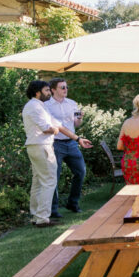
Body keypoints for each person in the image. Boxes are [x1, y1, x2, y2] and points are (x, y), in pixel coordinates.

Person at [44, 78, 92, 215]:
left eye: (66, 87)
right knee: (55, 176)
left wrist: (80, 117)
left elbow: (76, 124)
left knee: (81, 172)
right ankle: (53, 209)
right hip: (55, 144)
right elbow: (54, 126)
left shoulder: (72, 103)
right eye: (62, 87)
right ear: (53, 90)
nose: (66, 90)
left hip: (71, 143)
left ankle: (73, 203)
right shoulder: (46, 105)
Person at [22, 80, 62, 227]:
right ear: (37, 92)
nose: (49, 93)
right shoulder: (34, 106)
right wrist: (55, 130)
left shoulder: (39, 106)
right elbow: (47, 128)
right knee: (49, 181)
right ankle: (43, 218)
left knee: (38, 181)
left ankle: (36, 215)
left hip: (37, 146)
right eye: (46, 90)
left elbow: (55, 123)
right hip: (41, 146)